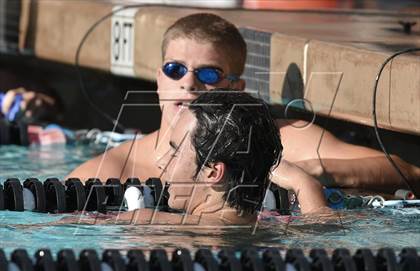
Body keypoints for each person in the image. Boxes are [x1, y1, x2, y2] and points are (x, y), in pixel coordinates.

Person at [67, 13, 420, 208]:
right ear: (159, 77)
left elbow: (404, 169)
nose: (189, 85)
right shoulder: (116, 166)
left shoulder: (280, 141)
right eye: (175, 69)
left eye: (208, 74)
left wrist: (310, 171)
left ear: (236, 88)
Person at [113, 90, 329, 226]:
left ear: (213, 172)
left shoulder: (145, 224)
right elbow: (322, 226)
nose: (162, 161)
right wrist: (303, 182)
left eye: (175, 152)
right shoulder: (277, 230)